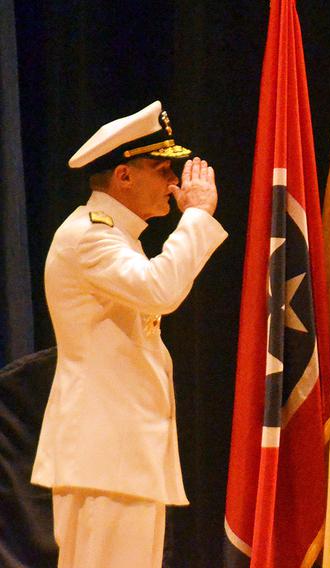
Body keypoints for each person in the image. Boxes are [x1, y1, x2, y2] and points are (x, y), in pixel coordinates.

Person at [31, 101, 228, 567]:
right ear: (124, 176)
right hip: (106, 454)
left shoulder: (118, 237)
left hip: (119, 455)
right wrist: (196, 218)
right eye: (162, 170)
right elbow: (160, 290)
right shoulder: (90, 236)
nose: (174, 184)